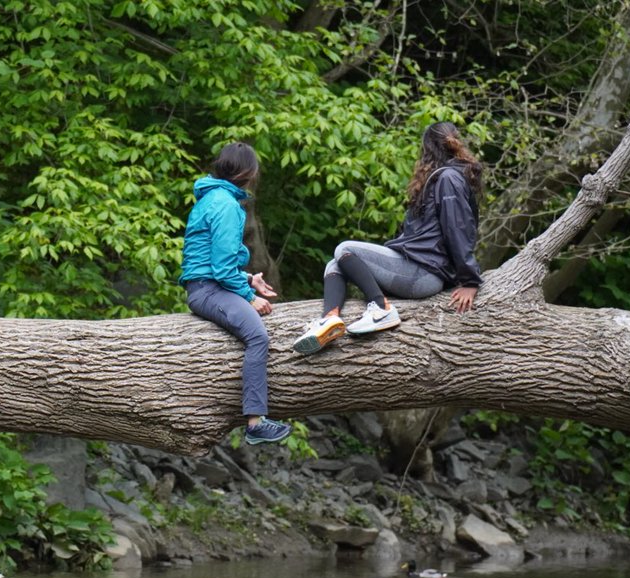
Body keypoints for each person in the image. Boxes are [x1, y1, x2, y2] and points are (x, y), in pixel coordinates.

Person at [292, 121, 484, 356]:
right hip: (415, 265)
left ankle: (381, 308)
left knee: (344, 249)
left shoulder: (448, 179)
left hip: (424, 274)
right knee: (335, 263)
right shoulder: (439, 178)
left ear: (427, 148)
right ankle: (329, 321)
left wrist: (470, 281)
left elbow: (458, 229)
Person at [179, 142, 291, 445]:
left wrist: (248, 279)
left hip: (207, 284)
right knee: (258, 336)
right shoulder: (226, 205)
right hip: (208, 290)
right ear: (248, 173)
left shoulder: (212, 197)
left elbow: (212, 261)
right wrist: (248, 295)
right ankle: (255, 422)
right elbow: (221, 265)